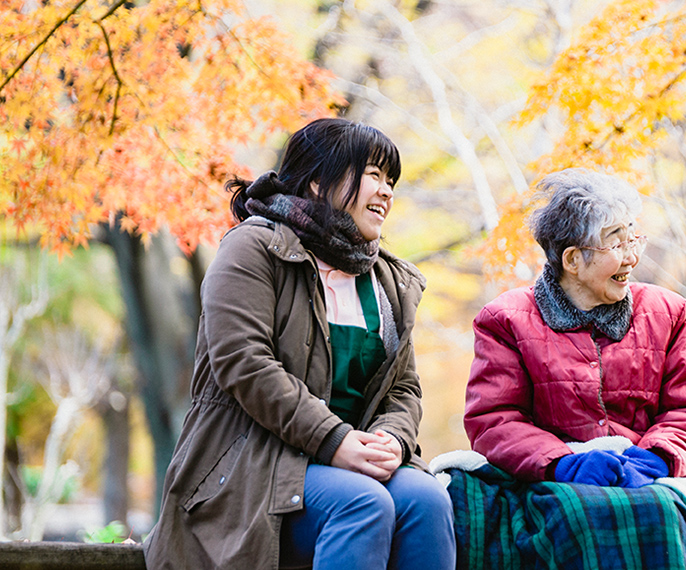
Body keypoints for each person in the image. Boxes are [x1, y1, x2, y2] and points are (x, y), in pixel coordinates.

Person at [144, 118, 455, 570]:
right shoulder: (253, 248)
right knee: (363, 503)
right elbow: (244, 364)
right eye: (372, 175)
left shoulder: (387, 281)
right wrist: (335, 440)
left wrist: (393, 438)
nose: (387, 191)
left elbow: (403, 388)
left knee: (427, 500)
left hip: (354, 462)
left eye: (391, 181)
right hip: (249, 465)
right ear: (316, 181)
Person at [464, 167, 686, 488]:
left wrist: (654, 458)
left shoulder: (670, 313)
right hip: (549, 480)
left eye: (633, 239)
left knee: (662, 517)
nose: (632, 257)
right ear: (572, 260)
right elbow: (495, 420)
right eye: (616, 245)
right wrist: (564, 464)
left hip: (646, 475)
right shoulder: (505, 319)